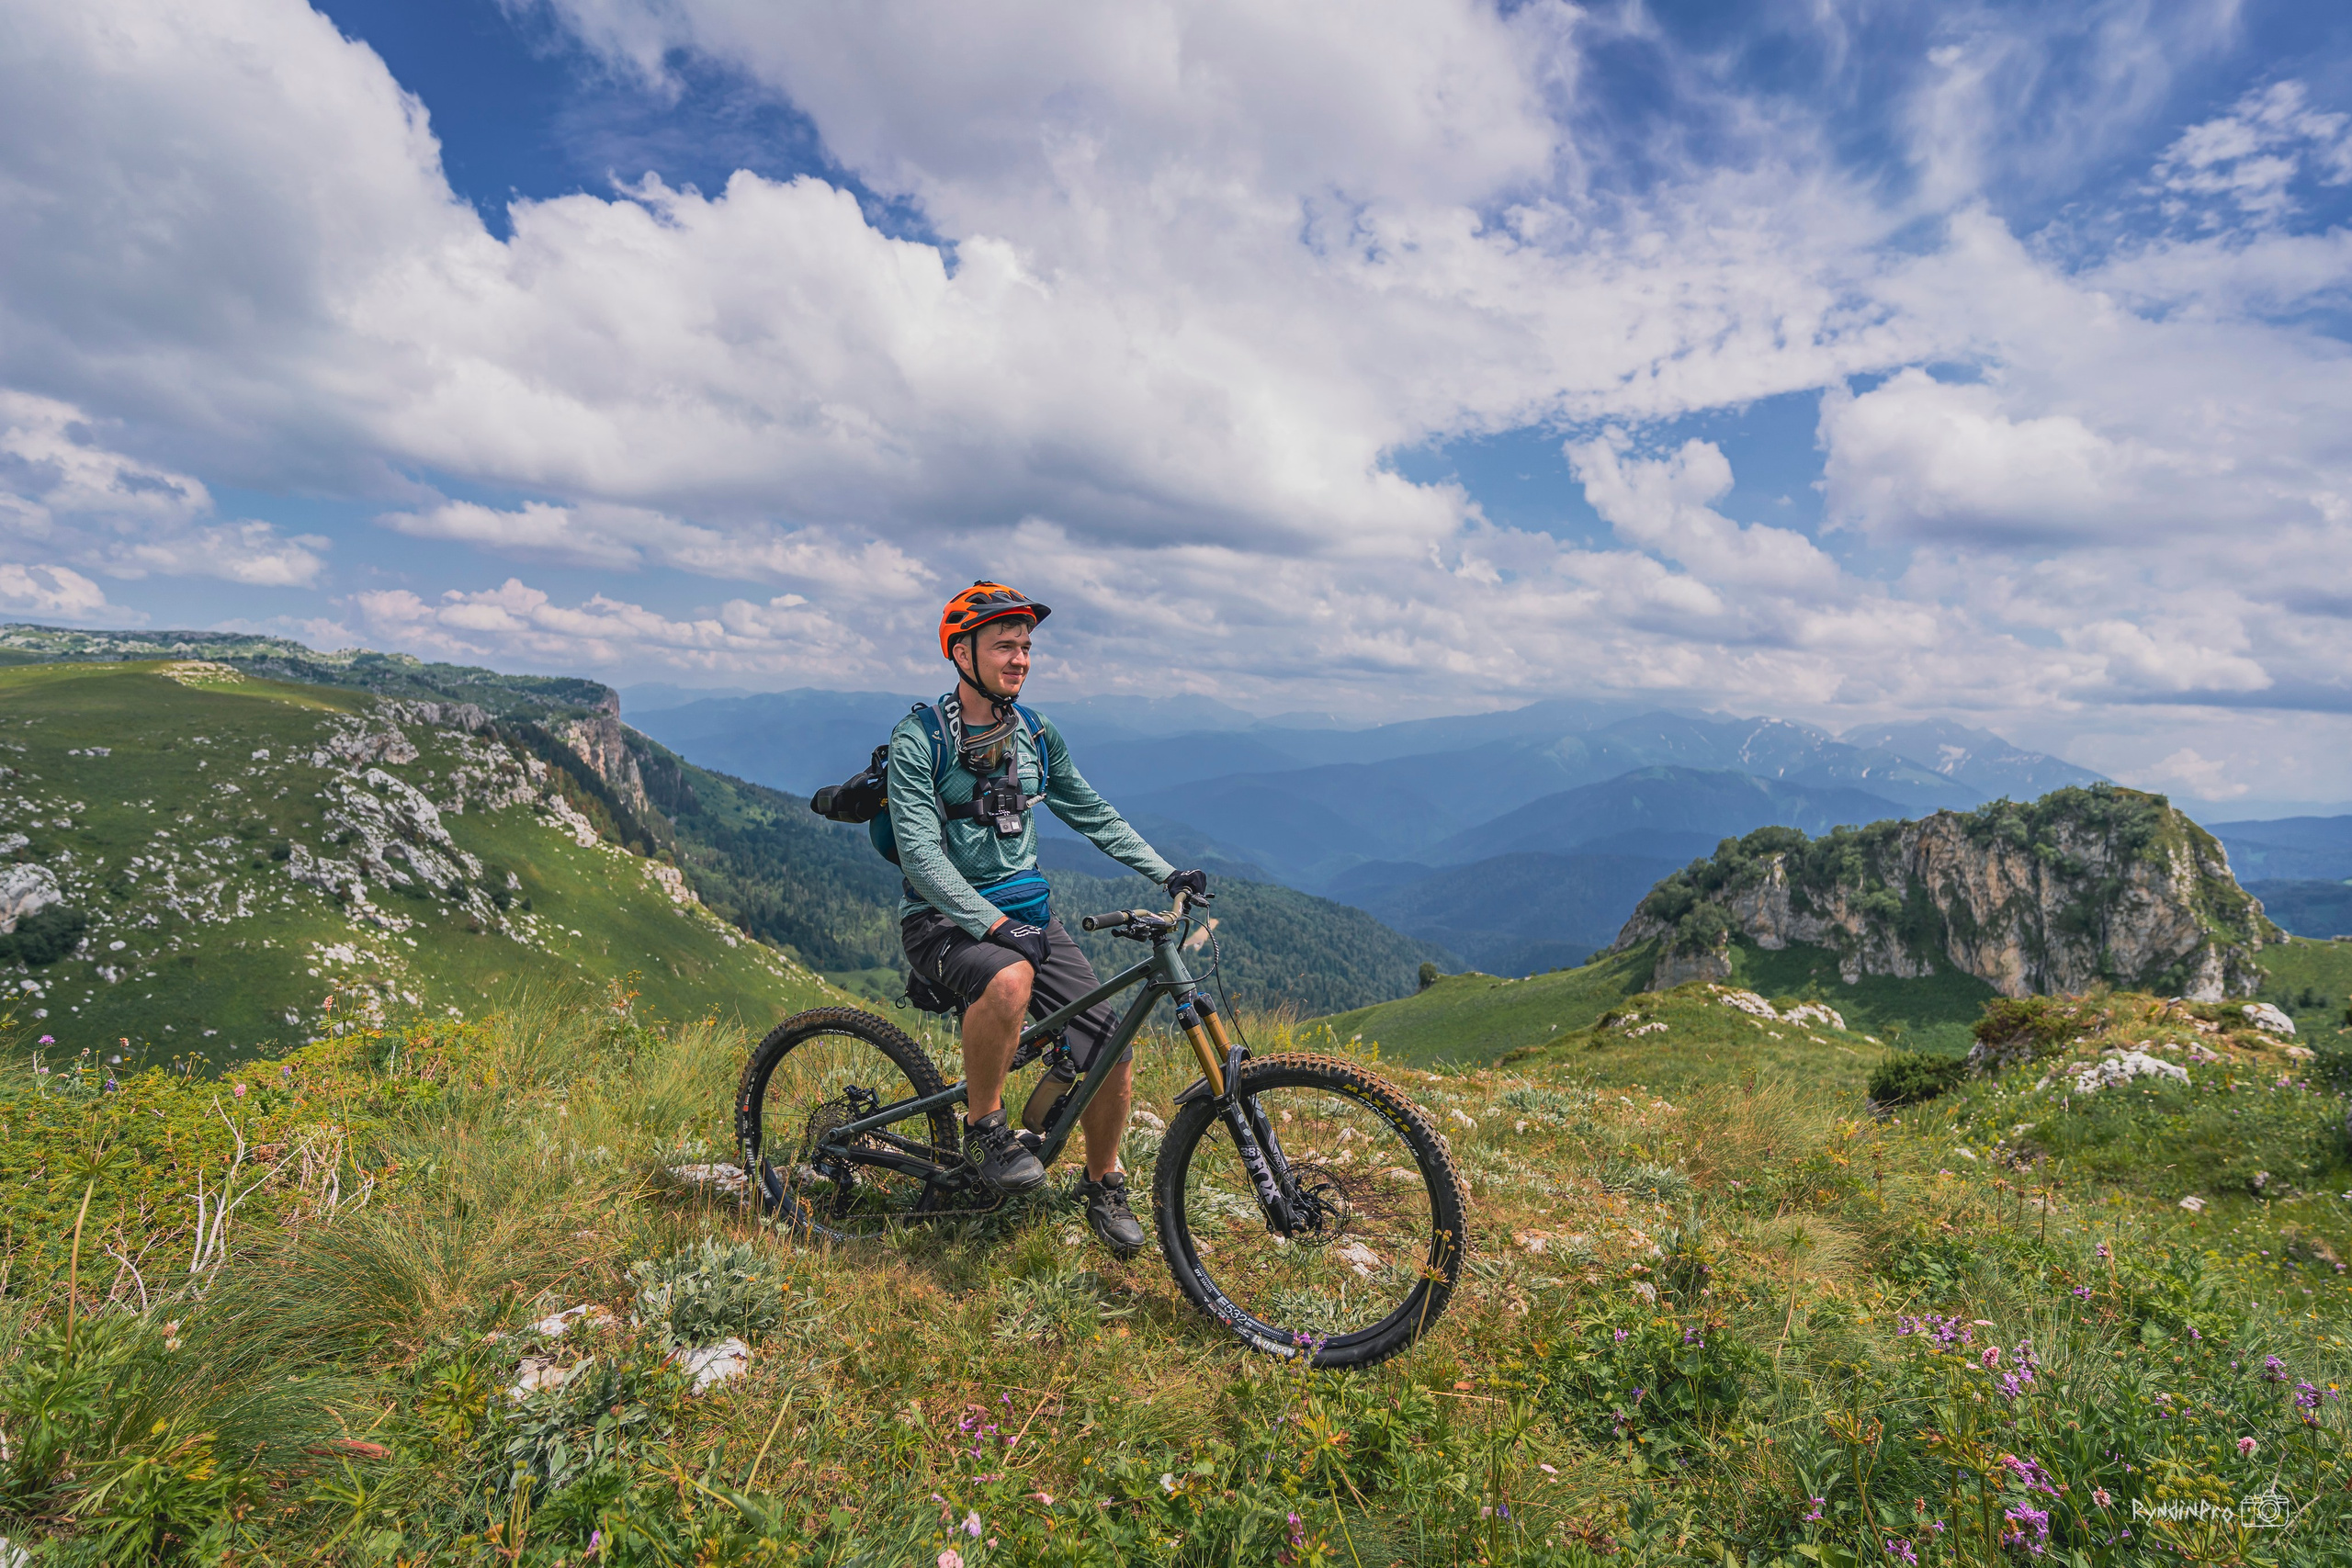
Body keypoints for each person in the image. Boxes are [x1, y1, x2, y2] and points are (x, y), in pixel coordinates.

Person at [891, 581, 1210, 1257]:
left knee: (1111, 1047)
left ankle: (1102, 1181)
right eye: (1004, 645)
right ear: (961, 651)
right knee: (1008, 981)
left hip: (1028, 916)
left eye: (1026, 647)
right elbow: (920, 855)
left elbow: (1091, 811)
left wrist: (1166, 871)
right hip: (942, 920)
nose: (1020, 659)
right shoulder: (920, 741)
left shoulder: (1034, 733)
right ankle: (985, 1129)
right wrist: (994, 926)